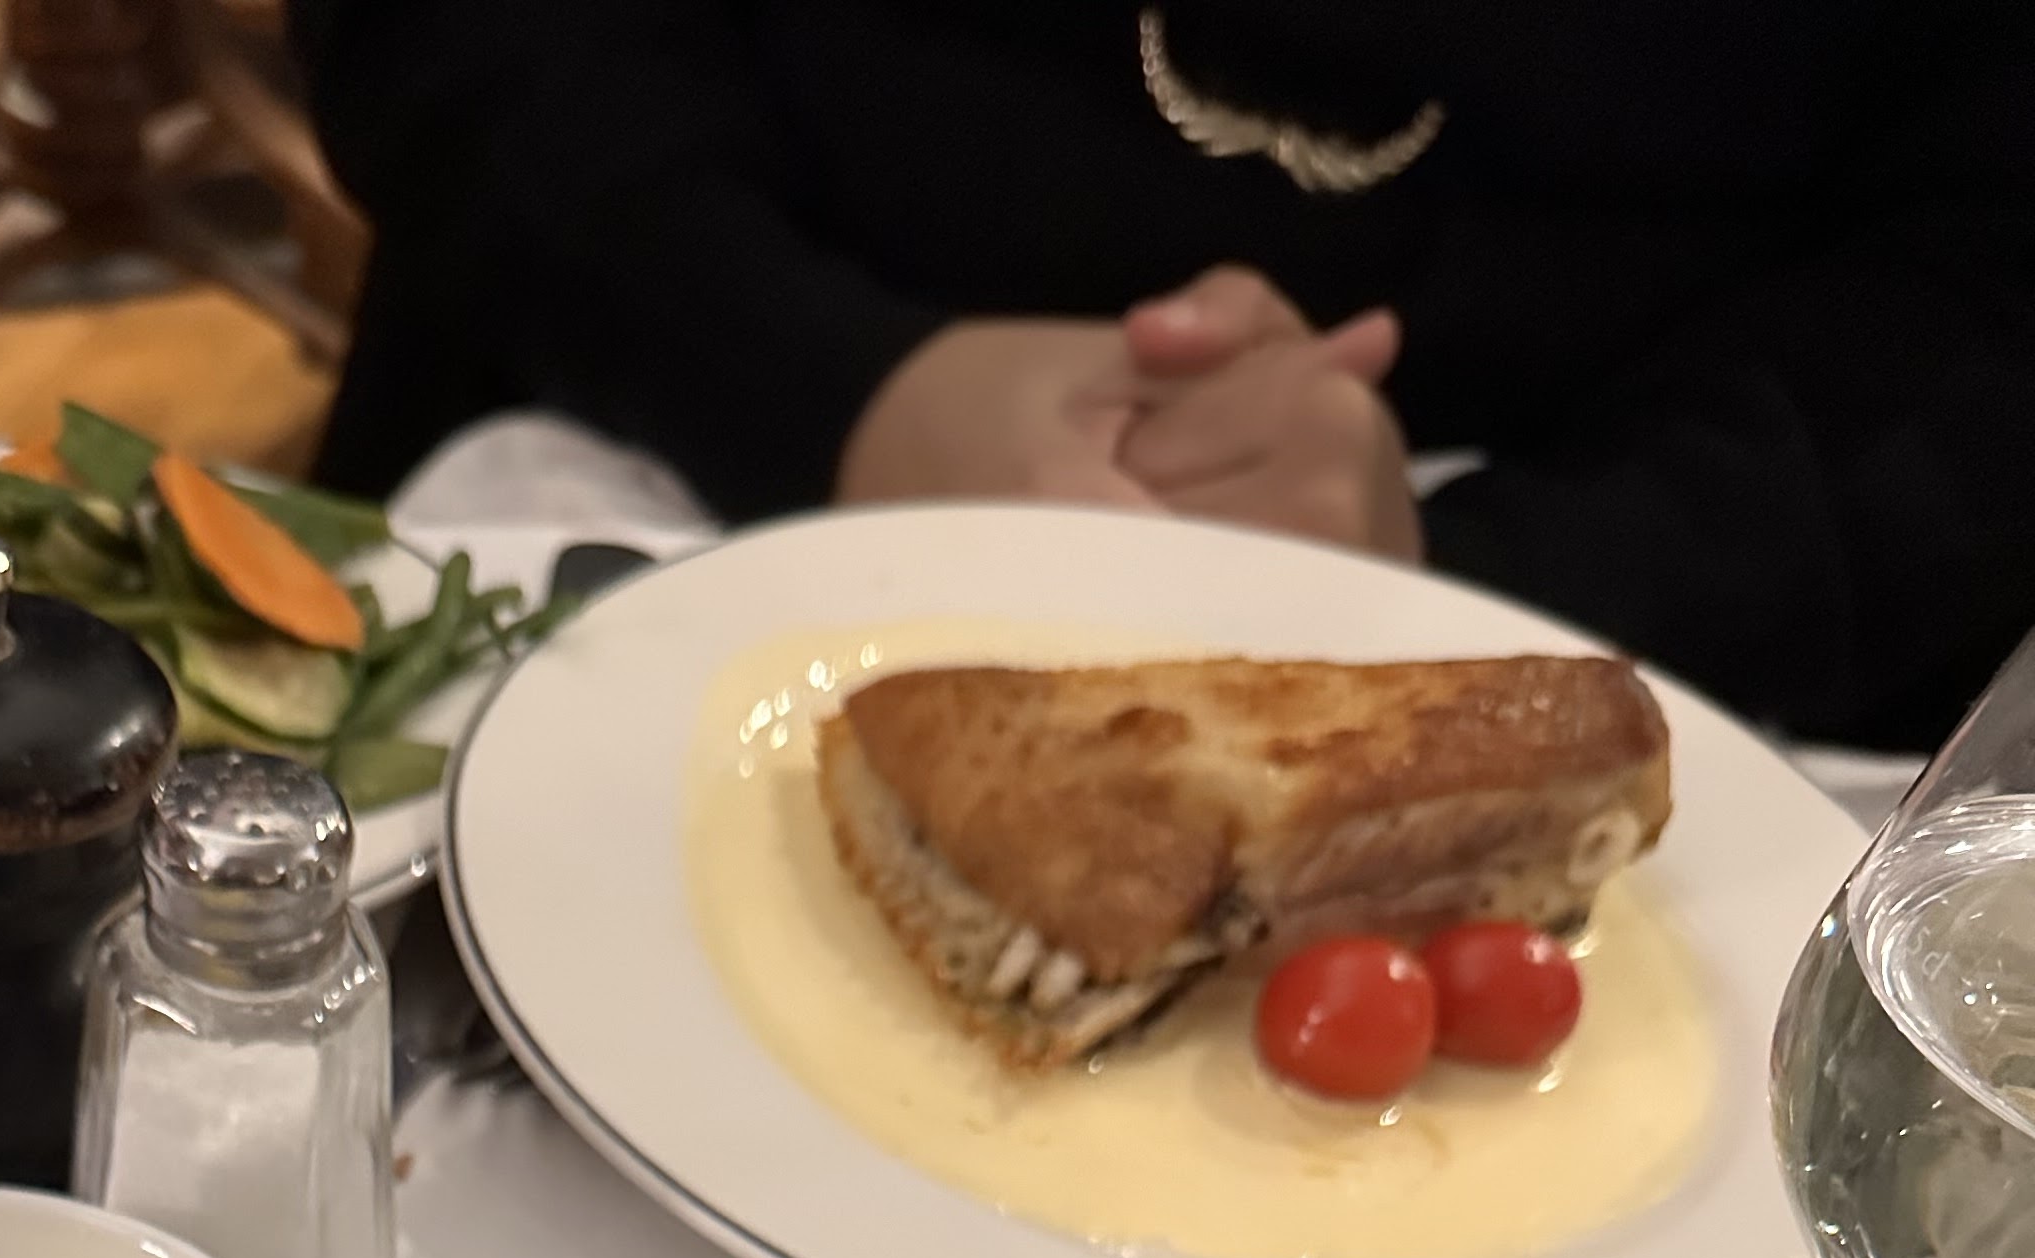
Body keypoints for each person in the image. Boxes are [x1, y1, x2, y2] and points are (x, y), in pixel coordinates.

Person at [289, 0, 2035, 750]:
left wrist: (1478, 578)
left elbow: (1982, 300)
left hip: (1627, 615)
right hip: (647, 410)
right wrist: (833, 387)